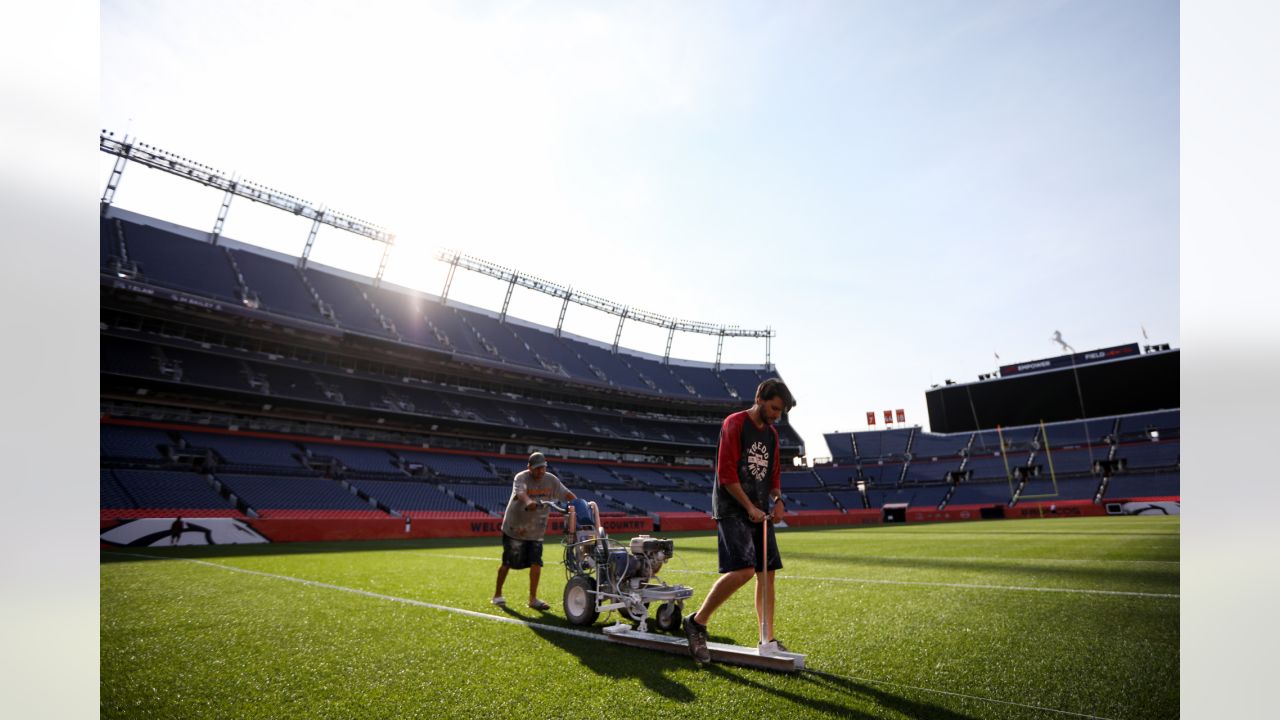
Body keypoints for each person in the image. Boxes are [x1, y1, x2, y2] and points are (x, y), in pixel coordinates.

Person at [684, 378, 796, 664]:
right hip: (732, 507)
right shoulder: (734, 423)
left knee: (767, 573)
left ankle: (766, 638)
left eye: (780, 412)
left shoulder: (772, 435)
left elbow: (773, 476)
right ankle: (697, 622)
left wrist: (778, 500)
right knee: (744, 570)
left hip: (759, 509)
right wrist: (748, 506)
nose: (776, 416)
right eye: (773, 408)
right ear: (760, 397)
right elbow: (726, 474)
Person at [492, 451, 577, 611]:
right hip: (515, 529)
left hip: (536, 530)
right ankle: (497, 594)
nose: (540, 472)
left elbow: (566, 494)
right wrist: (529, 502)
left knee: (536, 563)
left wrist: (579, 504)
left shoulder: (551, 480)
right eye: (537, 468)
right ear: (529, 467)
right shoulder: (521, 478)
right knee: (507, 563)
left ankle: (533, 599)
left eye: (543, 468)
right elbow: (521, 493)